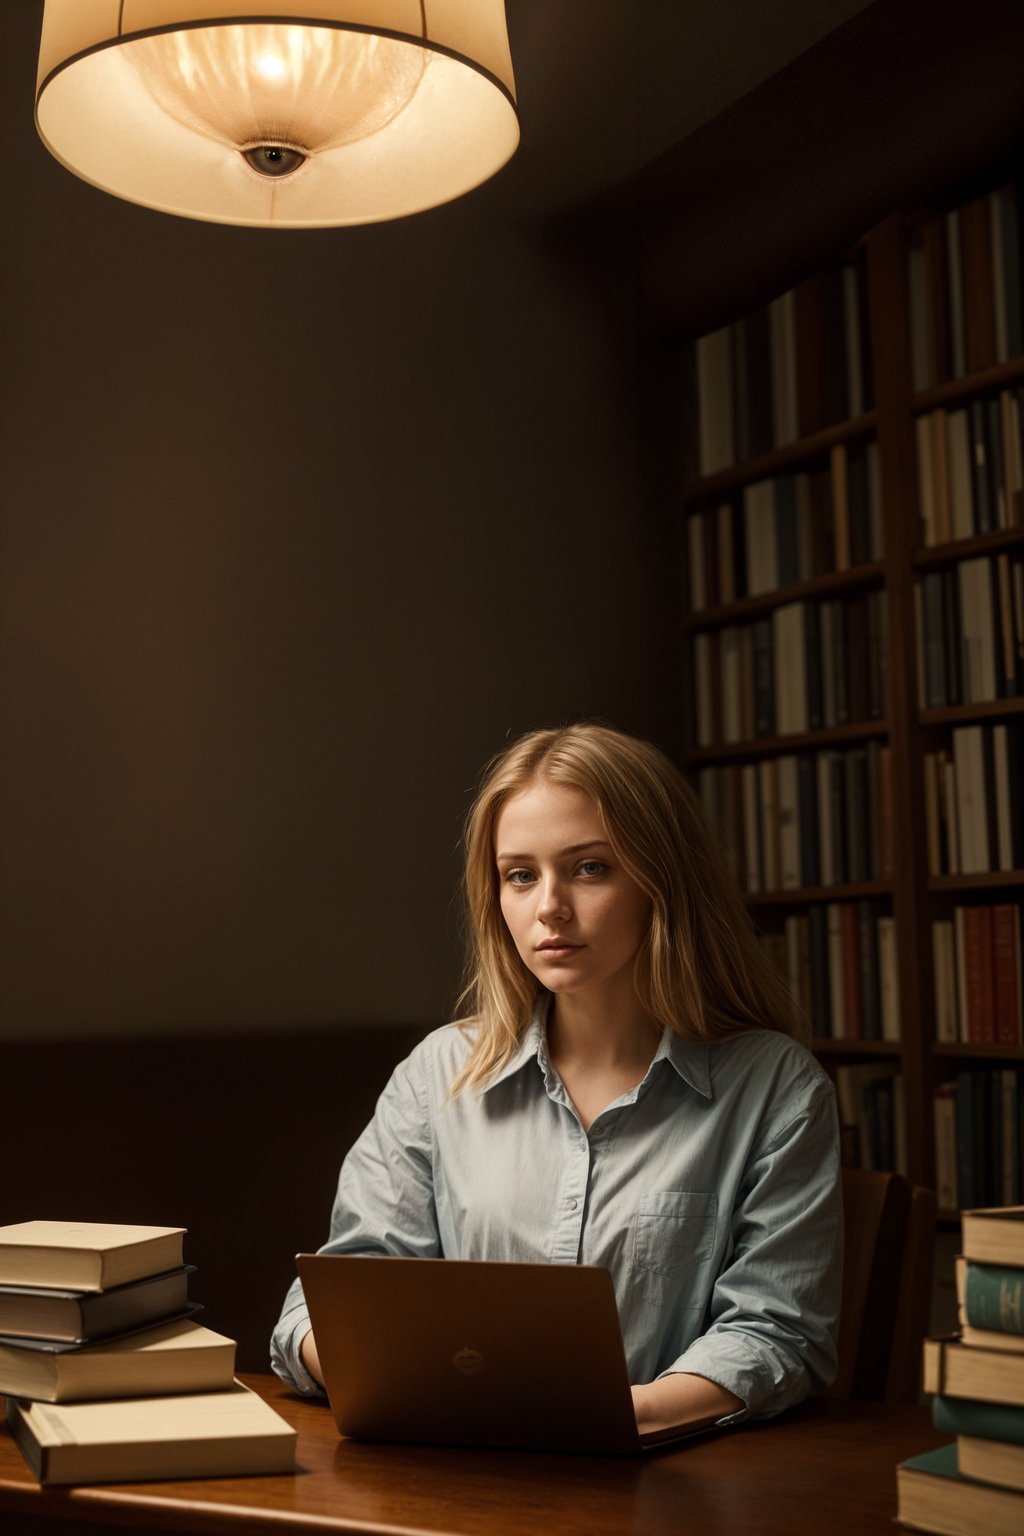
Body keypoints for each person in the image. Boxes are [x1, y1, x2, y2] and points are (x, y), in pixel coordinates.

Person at [271, 723, 842, 1435]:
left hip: (664, 1487)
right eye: (520, 875)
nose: (549, 907)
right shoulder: (436, 1076)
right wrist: (383, 1371)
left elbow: (775, 1333)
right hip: (449, 1474)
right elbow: (324, 1307)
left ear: (663, 878)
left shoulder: (775, 1088)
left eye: (589, 867)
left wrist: (598, 1419)